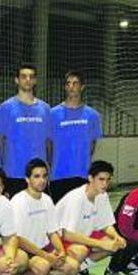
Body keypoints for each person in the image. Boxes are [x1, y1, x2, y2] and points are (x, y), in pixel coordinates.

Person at [10, 159, 81, 275]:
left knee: (73, 267)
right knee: (42, 266)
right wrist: (45, 255)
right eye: (36, 176)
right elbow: (17, 239)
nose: (41, 180)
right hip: (24, 251)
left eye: (44, 176)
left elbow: (52, 232)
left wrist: (61, 251)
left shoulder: (47, 200)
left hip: (43, 250)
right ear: (27, 179)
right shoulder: (18, 202)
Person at [55, 160, 128, 275]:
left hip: (82, 236)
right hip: (58, 240)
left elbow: (106, 224)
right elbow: (67, 235)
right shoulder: (77, 198)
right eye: (101, 179)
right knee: (81, 251)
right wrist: (100, 244)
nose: (105, 184)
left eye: (108, 179)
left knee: (113, 243)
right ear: (90, 178)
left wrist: (116, 237)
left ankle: (76, 271)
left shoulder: (102, 195)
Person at [48, 70, 104, 202]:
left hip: (82, 175)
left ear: (82, 87)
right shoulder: (52, 114)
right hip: (58, 176)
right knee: (60, 220)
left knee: (80, 219)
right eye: (68, 83)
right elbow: (48, 144)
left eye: (75, 83)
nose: (71, 87)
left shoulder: (92, 115)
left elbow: (92, 146)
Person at [0, 63, 52, 197]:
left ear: (35, 80)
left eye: (31, 77)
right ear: (17, 80)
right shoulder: (6, 108)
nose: (28, 80)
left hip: (38, 174)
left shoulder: (45, 109)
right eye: (23, 76)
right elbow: (0, 141)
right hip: (13, 173)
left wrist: (48, 168)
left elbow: (49, 142)